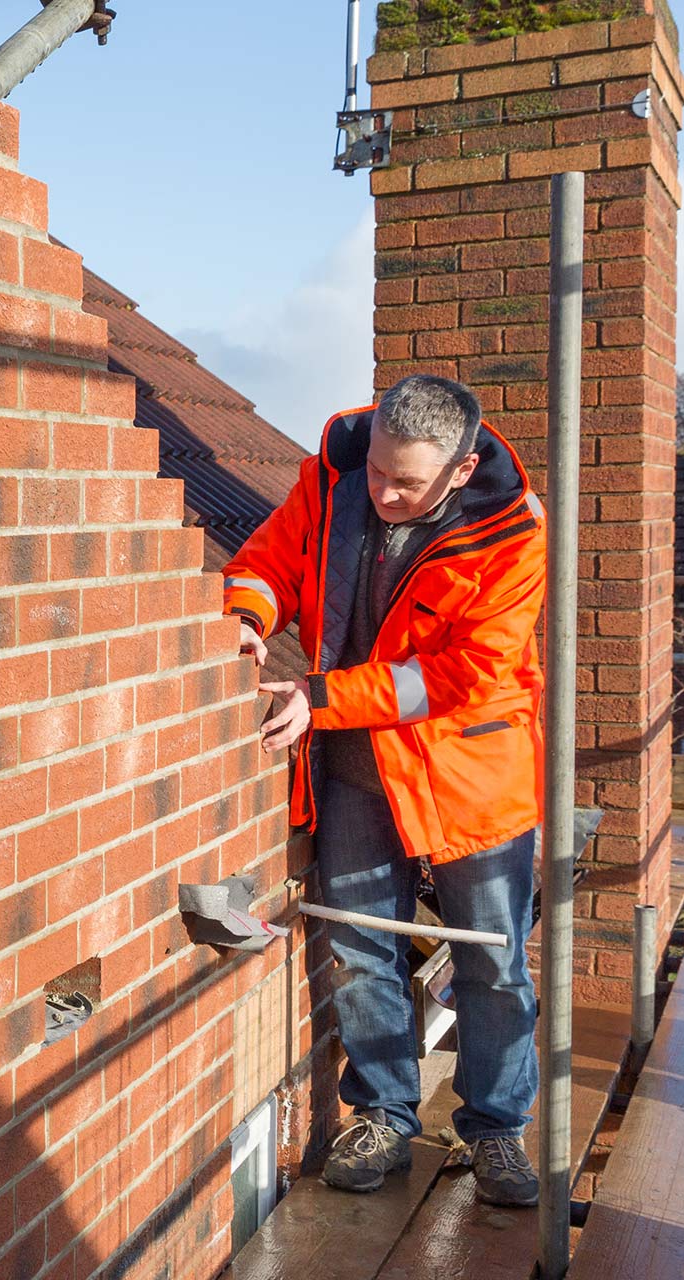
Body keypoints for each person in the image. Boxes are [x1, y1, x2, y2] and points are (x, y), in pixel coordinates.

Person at [222, 374, 548, 1207]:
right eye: (379, 473)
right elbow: (270, 561)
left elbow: (463, 675)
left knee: (494, 960)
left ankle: (498, 1129)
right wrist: (244, 621)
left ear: (463, 468)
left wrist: (324, 700)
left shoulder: (513, 535)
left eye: (409, 483)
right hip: (356, 777)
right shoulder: (336, 472)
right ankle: (384, 1116)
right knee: (364, 949)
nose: (386, 493)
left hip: (469, 779)